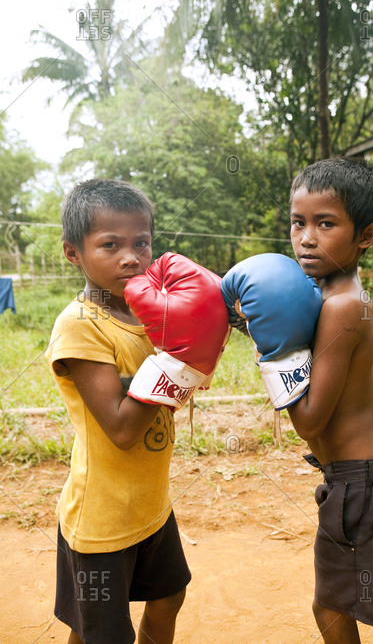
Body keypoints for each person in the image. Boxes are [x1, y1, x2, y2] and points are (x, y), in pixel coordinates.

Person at [45, 179, 193, 644]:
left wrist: (202, 330)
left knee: (168, 599)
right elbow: (122, 426)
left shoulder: (149, 312)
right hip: (102, 517)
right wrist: (183, 358)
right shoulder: (79, 324)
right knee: (104, 634)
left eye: (141, 243)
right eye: (110, 245)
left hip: (149, 504)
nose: (131, 257)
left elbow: (170, 393)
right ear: (74, 253)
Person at [286, 157, 373, 643]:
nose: (306, 237)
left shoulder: (344, 307)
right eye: (298, 222)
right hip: (362, 476)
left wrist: (272, 353)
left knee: (331, 607)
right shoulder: (328, 294)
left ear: (365, 235)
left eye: (325, 223)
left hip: (360, 483)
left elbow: (308, 420)